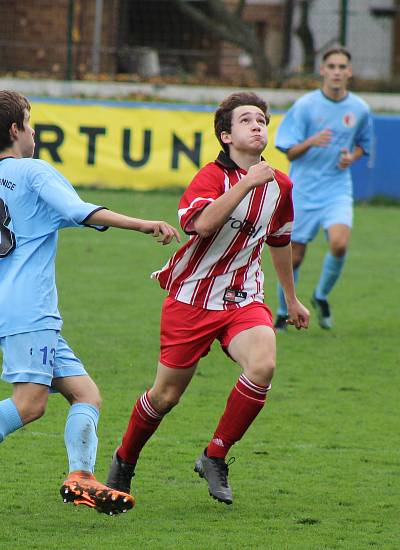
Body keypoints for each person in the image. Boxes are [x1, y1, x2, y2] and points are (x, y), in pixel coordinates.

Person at [0, 90, 179, 521]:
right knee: (30, 403)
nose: (33, 132)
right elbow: (79, 210)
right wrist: (142, 224)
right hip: (28, 310)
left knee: (86, 394)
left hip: (7, 311)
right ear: (16, 130)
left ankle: (81, 475)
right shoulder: (33, 172)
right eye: (29, 124)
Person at [104, 92, 310, 505]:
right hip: (192, 299)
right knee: (165, 397)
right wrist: (247, 183)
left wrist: (291, 298)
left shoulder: (281, 185)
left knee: (264, 363)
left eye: (262, 121)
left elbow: (280, 240)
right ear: (226, 135)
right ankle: (124, 460)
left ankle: (215, 455)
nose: (257, 126)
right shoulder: (212, 178)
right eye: (246, 120)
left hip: (243, 296)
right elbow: (201, 224)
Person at [273, 46, 374, 331]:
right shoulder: (305, 106)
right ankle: (283, 310)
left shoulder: (360, 109)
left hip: (337, 187)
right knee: (296, 255)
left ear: (349, 72)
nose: (337, 72)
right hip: (304, 189)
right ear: (322, 70)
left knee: (340, 244)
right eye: (332, 66)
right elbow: (290, 152)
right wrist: (311, 141)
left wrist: (350, 158)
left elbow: (363, 145)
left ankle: (321, 296)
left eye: (342, 67)